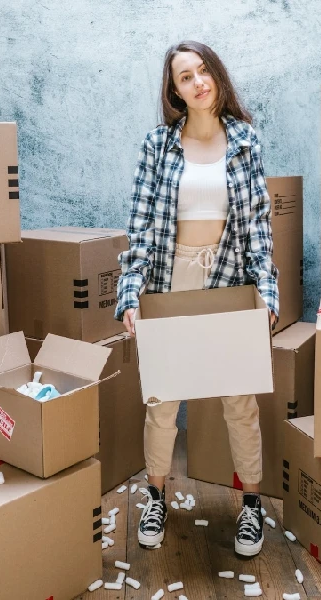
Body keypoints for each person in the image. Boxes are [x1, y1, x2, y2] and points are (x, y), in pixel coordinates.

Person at [114, 40, 279, 558]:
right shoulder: (156, 146)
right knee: (162, 402)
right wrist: (130, 294)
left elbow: (257, 228)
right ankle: (156, 495)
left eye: (203, 70)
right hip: (170, 281)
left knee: (240, 401)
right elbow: (139, 229)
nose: (197, 81)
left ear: (217, 76)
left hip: (229, 280)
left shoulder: (246, 141)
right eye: (185, 77)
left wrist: (266, 295)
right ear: (175, 91)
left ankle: (251, 505)